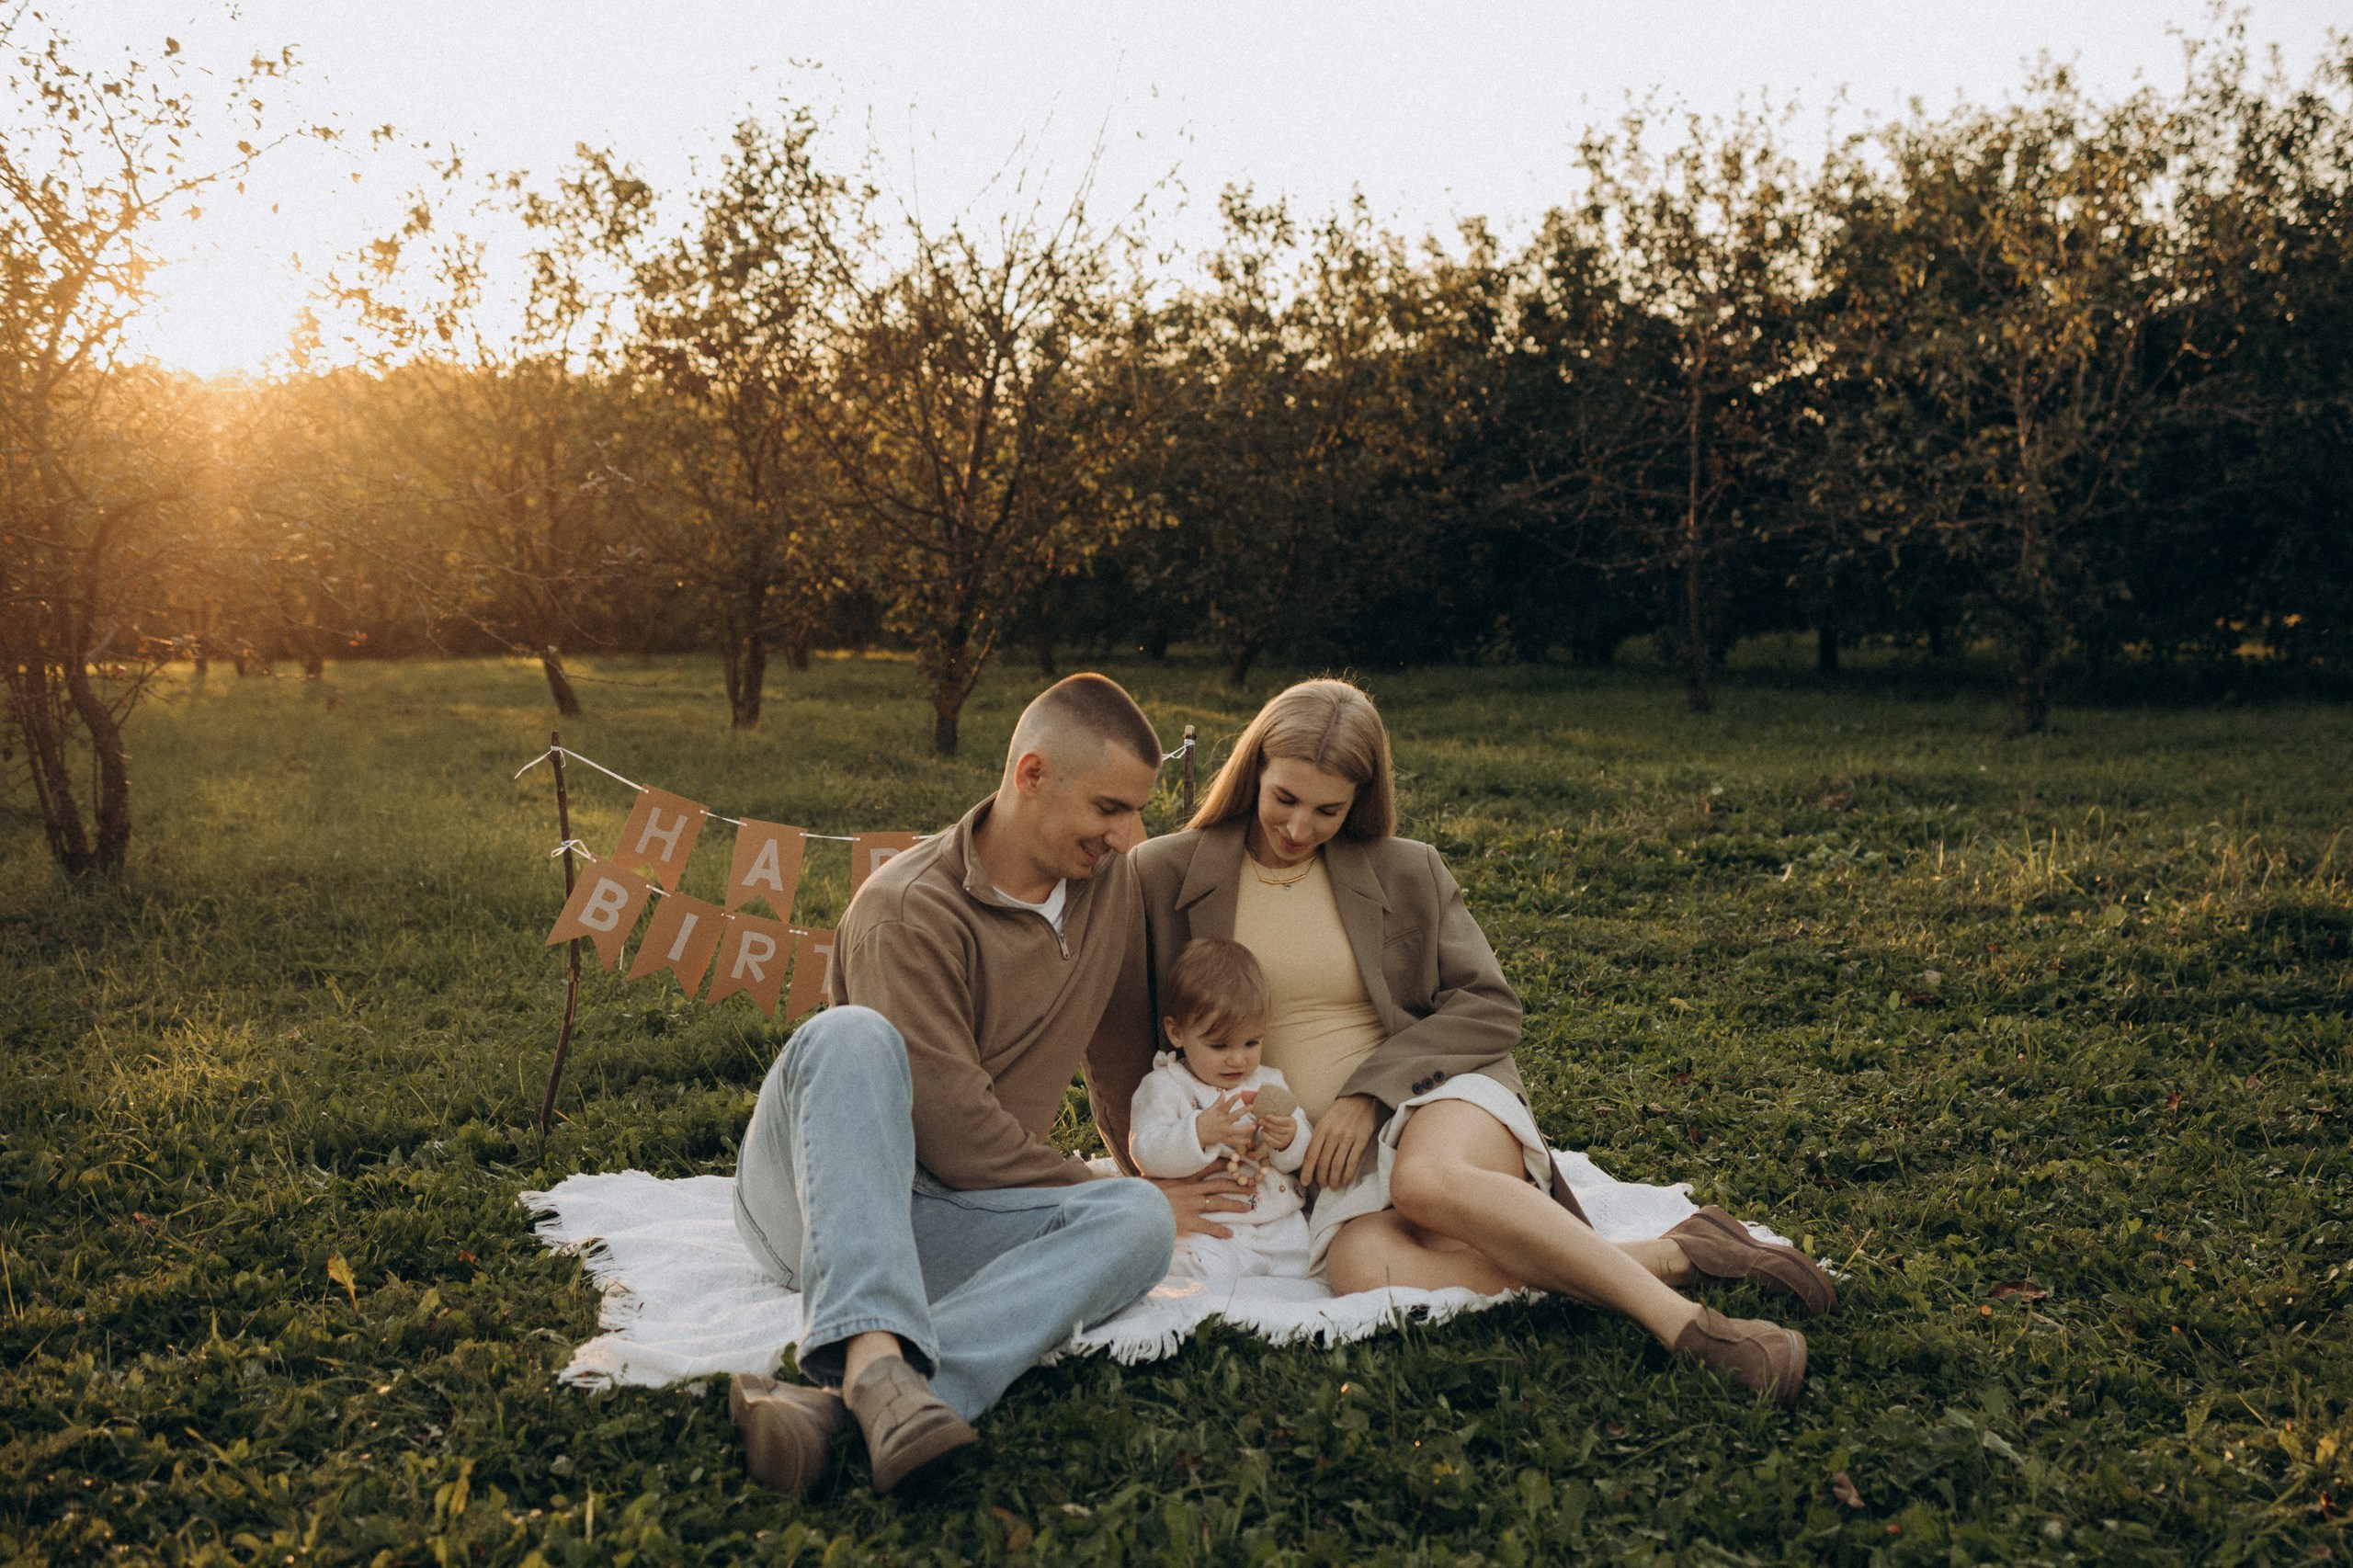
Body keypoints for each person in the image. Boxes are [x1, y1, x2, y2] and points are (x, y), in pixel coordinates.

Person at [1109, 678, 1837, 1407]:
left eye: (1328, 810)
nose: (1299, 827)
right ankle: (1681, 1255)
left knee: (1423, 1183)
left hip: (1435, 1095)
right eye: (1285, 799)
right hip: (1321, 1158)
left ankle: (1689, 1329)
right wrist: (1151, 1185)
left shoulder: (1407, 867)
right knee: (1365, 1266)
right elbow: (1120, 1048)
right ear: (1254, 772)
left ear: (1360, 800)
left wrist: (1370, 1092)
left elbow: (1489, 1006)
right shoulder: (1164, 872)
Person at [725, 674, 1247, 1495]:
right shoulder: (908, 910)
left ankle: (860, 1396)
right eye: (1110, 808)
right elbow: (956, 1136)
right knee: (849, 1035)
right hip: (824, 1199)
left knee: (1139, 1217)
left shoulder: (1107, 887)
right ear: (1031, 776)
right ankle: (870, 1362)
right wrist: (1077, 1184)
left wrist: (1139, 1182)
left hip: (949, 1216)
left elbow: (1115, 1055)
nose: (1129, 834)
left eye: (1137, 811)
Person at [1128, 938, 1314, 1279]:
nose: (1238, 1058)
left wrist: (1289, 1139)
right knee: (1192, 1266)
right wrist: (1198, 1133)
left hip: (1278, 1222)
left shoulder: (1268, 1082)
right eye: (1219, 1045)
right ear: (1176, 1032)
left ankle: (1277, 1299)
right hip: (1211, 1225)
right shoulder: (1167, 1086)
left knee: (1310, 1263)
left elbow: (1299, 1151)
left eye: (1251, 1042)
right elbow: (1147, 1150)